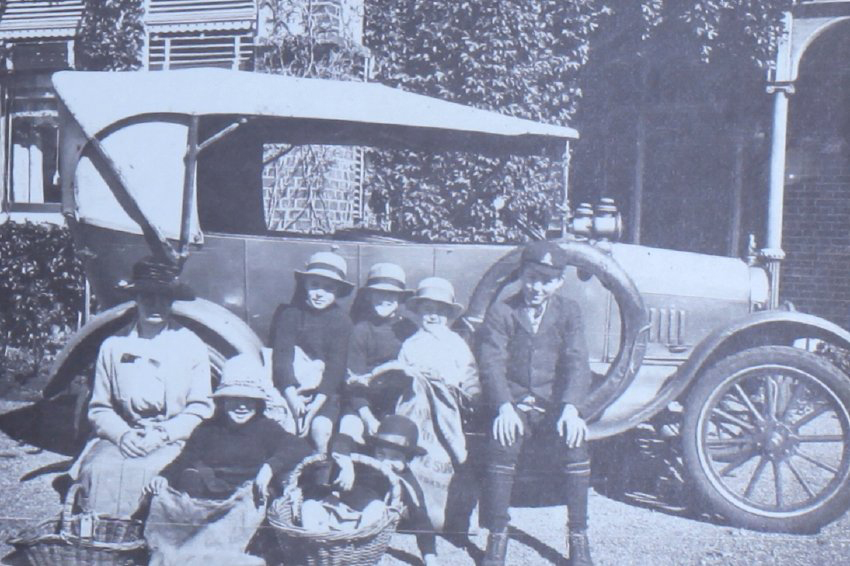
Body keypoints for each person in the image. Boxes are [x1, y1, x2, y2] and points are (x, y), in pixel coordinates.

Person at [142, 354, 352, 566]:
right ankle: (183, 553)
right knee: (179, 490)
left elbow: (298, 447)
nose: (241, 406)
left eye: (248, 400)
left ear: (258, 403)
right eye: (234, 399)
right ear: (222, 401)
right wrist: (164, 477)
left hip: (242, 507)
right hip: (206, 504)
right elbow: (184, 458)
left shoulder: (266, 428)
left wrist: (269, 468)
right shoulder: (208, 429)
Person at [69, 257, 214, 518]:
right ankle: (101, 543)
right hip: (125, 436)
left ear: (172, 301)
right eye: (148, 297)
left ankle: (145, 545)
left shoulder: (191, 346)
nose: (155, 305)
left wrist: (162, 434)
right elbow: (100, 408)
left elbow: (200, 408)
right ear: (136, 298)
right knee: (99, 471)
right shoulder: (113, 345)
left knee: (161, 475)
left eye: (163, 298)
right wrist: (123, 435)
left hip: (171, 439)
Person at [477, 241, 594, 566]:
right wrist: (503, 406)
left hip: (553, 407)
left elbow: (577, 362)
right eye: (531, 278)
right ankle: (497, 535)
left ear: (558, 282)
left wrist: (572, 408)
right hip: (513, 405)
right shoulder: (502, 310)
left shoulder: (568, 312)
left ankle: (578, 537)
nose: (536, 287)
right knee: (503, 442)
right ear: (521, 276)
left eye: (545, 280)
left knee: (576, 443)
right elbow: (491, 363)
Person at [352, 277, 480, 531]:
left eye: (440, 312)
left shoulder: (456, 344)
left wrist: (448, 384)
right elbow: (401, 374)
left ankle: (444, 508)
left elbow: (470, 377)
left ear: (448, 315)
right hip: (416, 409)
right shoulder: (411, 344)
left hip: (448, 409)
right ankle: (409, 505)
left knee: (448, 456)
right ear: (419, 312)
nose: (433, 317)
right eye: (427, 310)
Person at [302, 415, 438, 566]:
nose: (386, 462)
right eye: (381, 454)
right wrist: (346, 465)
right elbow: (341, 439)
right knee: (309, 506)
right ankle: (320, 549)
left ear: (407, 460)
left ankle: (353, 556)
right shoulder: (365, 457)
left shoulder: (406, 481)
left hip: (363, 528)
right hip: (336, 511)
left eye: (395, 457)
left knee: (377, 507)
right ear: (374, 450)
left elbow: (421, 519)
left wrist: (430, 558)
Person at [271, 251, 354, 453]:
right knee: (285, 429)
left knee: (321, 429)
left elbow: (336, 367)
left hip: (323, 393)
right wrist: (292, 398)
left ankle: (319, 477)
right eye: (314, 285)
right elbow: (282, 358)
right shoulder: (290, 314)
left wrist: (315, 406)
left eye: (328, 288)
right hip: (289, 387)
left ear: (337, 292)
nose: (319, 293)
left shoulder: (341, 321)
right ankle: (282, 477)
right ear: (305, 285)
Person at [340, 263, 417, 443]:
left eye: (391, 294)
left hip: (398, 403)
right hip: (362, 401)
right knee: (348, 431)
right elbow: (353, 380)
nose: (385, 299)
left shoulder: (409, 329)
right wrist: (366, 416)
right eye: (379, 293)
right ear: (369, 296)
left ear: (400, 298)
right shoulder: (360, 330)